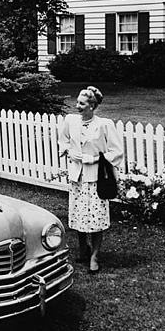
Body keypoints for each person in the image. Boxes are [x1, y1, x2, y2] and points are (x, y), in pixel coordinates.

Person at [58, 86, 123, 274]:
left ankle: (94, 255)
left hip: (96, 178)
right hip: (77, 177)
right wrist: (68, 151)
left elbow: (117, 152)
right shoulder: (70, 121)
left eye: (82, 103)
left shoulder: (104, 125)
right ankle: (82, 249)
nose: (77, 106)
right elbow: (63, 141)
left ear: (92, 106)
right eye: (77, 102)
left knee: (95, 218)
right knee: (79, 216)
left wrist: (93, 159)